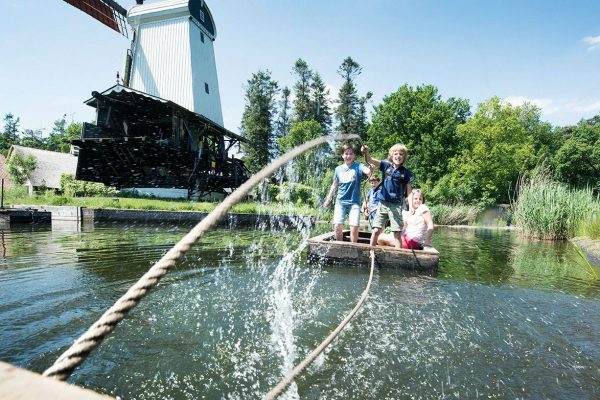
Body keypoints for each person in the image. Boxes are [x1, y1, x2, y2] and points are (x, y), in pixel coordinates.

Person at [361, 143, 413, 249]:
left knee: (397, 233)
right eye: (396, 153)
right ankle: (371, 251)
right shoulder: (385, 165)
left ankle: (398, 255)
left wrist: (411, 207)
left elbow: (409, 191)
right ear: (392, 155)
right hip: (383, 203)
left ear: (404, 157)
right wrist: (366, 152)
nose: (398, 156)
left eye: (401, 154)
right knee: (376, 230)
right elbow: (370, 160)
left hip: (396, 205)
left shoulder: (406, 172)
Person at [323, 142, 372, 243]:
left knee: (354, 227)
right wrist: (328, 199)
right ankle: (340, 247)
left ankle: (353, 248)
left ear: (354, 156)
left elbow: (368, 172)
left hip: (354, 202)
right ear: (342, 155)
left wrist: (371, 168)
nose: (348, 156)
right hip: (340, 202)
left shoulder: (359, 166)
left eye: (350, 153)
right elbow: (334, 185)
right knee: (337, 226)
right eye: (346, 153)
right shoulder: (338, 169)